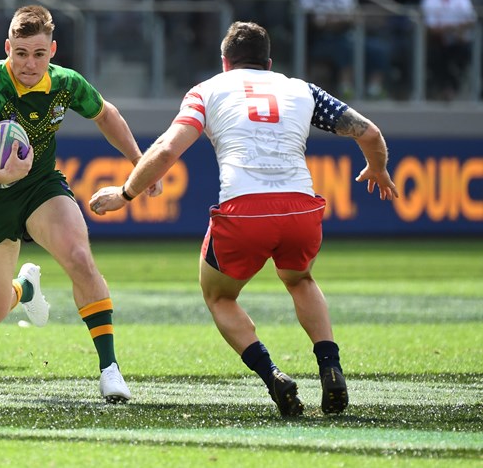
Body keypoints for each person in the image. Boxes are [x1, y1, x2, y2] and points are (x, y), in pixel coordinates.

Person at [90, 21, 398, 416]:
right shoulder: (300, 89)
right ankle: (331, 368)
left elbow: (167, 149)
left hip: (244, 209)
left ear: (225, 63)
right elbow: (368, 131)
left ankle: (274, 377)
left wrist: (125, 194)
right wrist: (378, 169)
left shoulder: (207, 90)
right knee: (300, 279)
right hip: (301, 208)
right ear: (268, 63)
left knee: (219, 295)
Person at [0, 5, 161, 403]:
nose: (29, 64)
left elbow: (105, 113)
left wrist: (139, 162)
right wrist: (2, 175)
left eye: (39, 54)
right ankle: (25, 287)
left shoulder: (65, 84)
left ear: (53, 50)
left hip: (40, 187)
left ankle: (110, 369)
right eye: (21, 53)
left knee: (79, 257)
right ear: (8, 47)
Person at [296, 0, 390, 100]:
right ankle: (345, 87)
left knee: (378, 49)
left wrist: (337, 20)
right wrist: (337, 21)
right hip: (320, 38)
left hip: (346, 34)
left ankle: (374, 88)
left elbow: (353, 16)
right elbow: (316, 22)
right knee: (345, 48)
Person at [421, 0, 477, 100]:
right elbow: (431, 27)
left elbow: (471, 20)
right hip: (439, 42)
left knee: (466, 53)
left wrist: (455, 30)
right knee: (440, 56)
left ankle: (463, 90)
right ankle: (445, 89)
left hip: (460, 41)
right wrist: (451, 29)